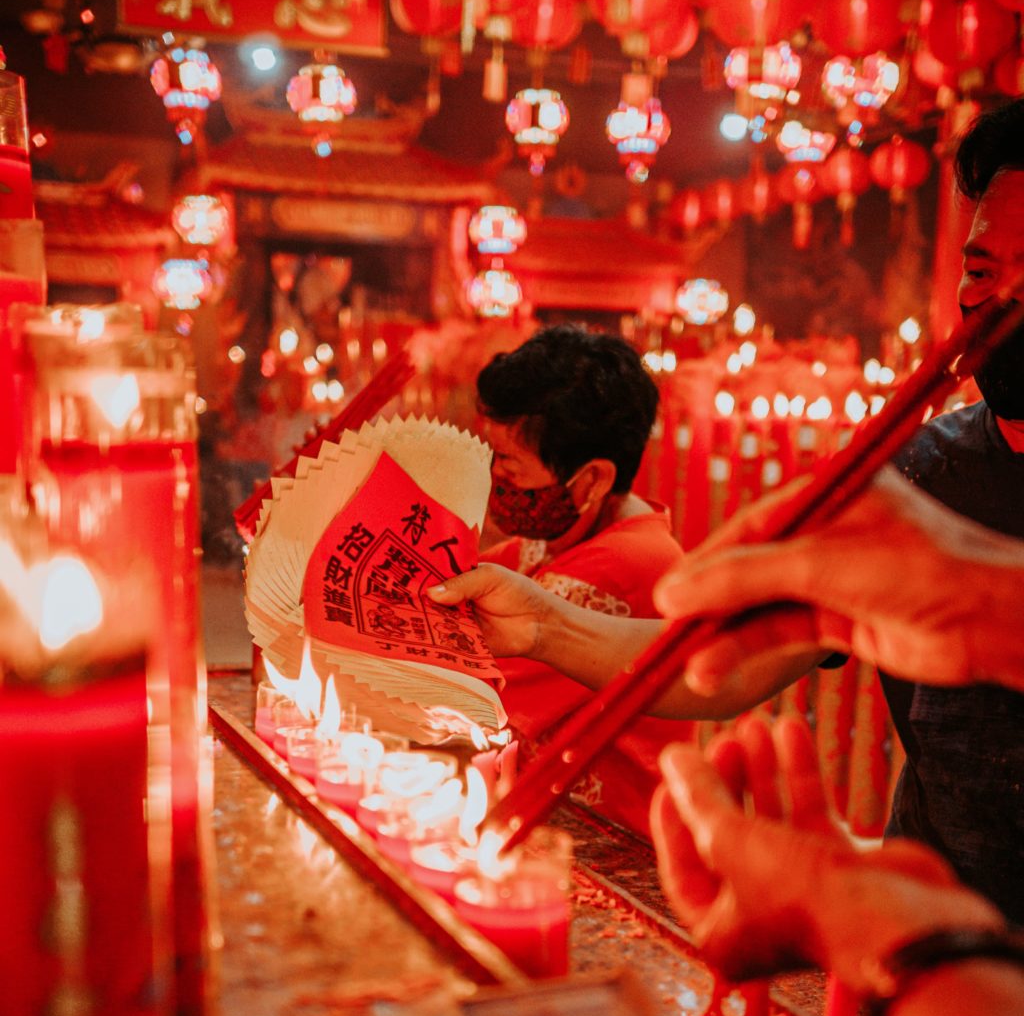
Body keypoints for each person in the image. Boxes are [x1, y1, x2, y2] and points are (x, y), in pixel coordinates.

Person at [433, 99, 1024, 915]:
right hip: (928, 933)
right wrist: (539, 623)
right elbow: (730, 662)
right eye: (984, 270)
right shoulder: (918, 474)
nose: (1001, 304)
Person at [465, 324, 810, 837]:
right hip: (548, 812)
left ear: (592, 479)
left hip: (612, 835)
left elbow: (469, 675)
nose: (492, 478)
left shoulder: (625, 566)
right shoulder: (563, 533)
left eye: (509, 467)